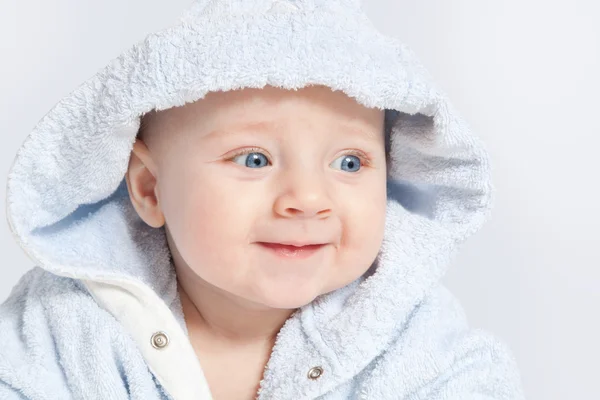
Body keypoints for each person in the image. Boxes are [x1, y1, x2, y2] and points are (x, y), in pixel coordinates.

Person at [0, 1, 526, 399]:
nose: (308, 199)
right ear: (149, 188)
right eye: (254, 159)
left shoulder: (414, 338)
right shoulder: (65, 327)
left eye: (349, 163)